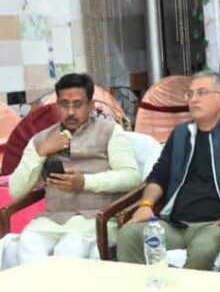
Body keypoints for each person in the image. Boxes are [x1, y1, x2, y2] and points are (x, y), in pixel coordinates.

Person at [117, 71, 220, 271]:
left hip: (216, 224)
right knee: (128, 235)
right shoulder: (180, 134)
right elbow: (158, 175)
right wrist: (146, 204)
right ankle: (145, 289)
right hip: (174, 224)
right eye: (190, 94)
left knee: (202, 250)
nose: (193, 99)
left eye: (202, 93)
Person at [9, 73, 140, 263]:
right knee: (28, 244)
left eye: (77, 104)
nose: (70, 112)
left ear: (91, 106)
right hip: (52, 221)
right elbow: (16, 190)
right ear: (57, 106)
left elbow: (131, 177)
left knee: (70, 247)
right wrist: (41, 152)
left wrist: (84, 182)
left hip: (94, 221)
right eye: (64, 104)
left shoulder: (110, 132)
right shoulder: (41, 139)